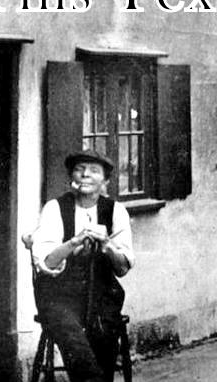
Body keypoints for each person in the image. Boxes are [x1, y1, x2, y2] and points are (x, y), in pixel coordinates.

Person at [29, 150, 133, 382]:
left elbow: (122, 268)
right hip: (59, 295)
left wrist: (106, 244)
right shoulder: (55, 209)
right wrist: (73, 242)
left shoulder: (116, 211)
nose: (85, 175)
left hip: (102, 294)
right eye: (79, 169)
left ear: (105, 181)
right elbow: (46, 263)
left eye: (94, 171)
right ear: (71, 177)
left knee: (104, 336)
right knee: (72, 337)